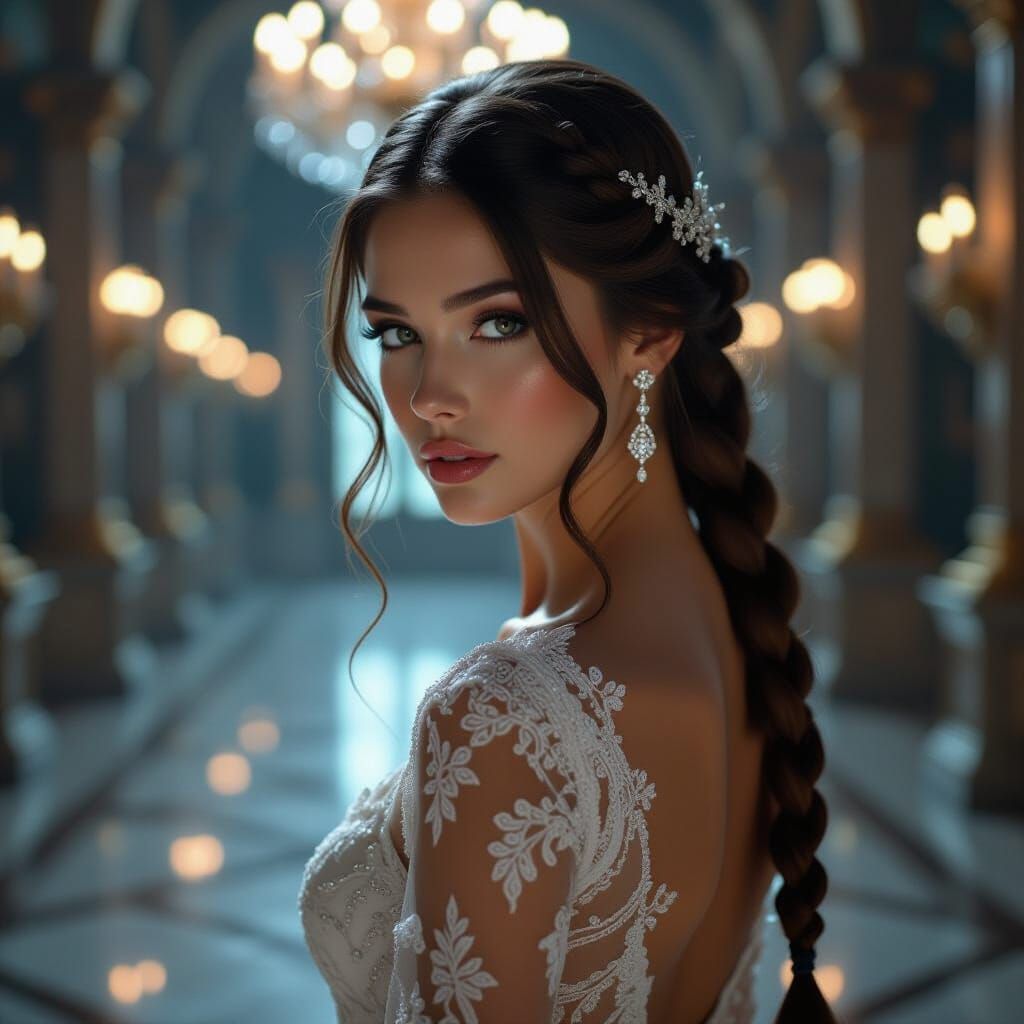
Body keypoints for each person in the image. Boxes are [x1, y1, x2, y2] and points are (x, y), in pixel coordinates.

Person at [298, 58, 837, 1024]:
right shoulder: (738, 623)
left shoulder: (499, 720)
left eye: (498, 322)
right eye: (395, 332)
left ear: (654, 330)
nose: (427, 397)